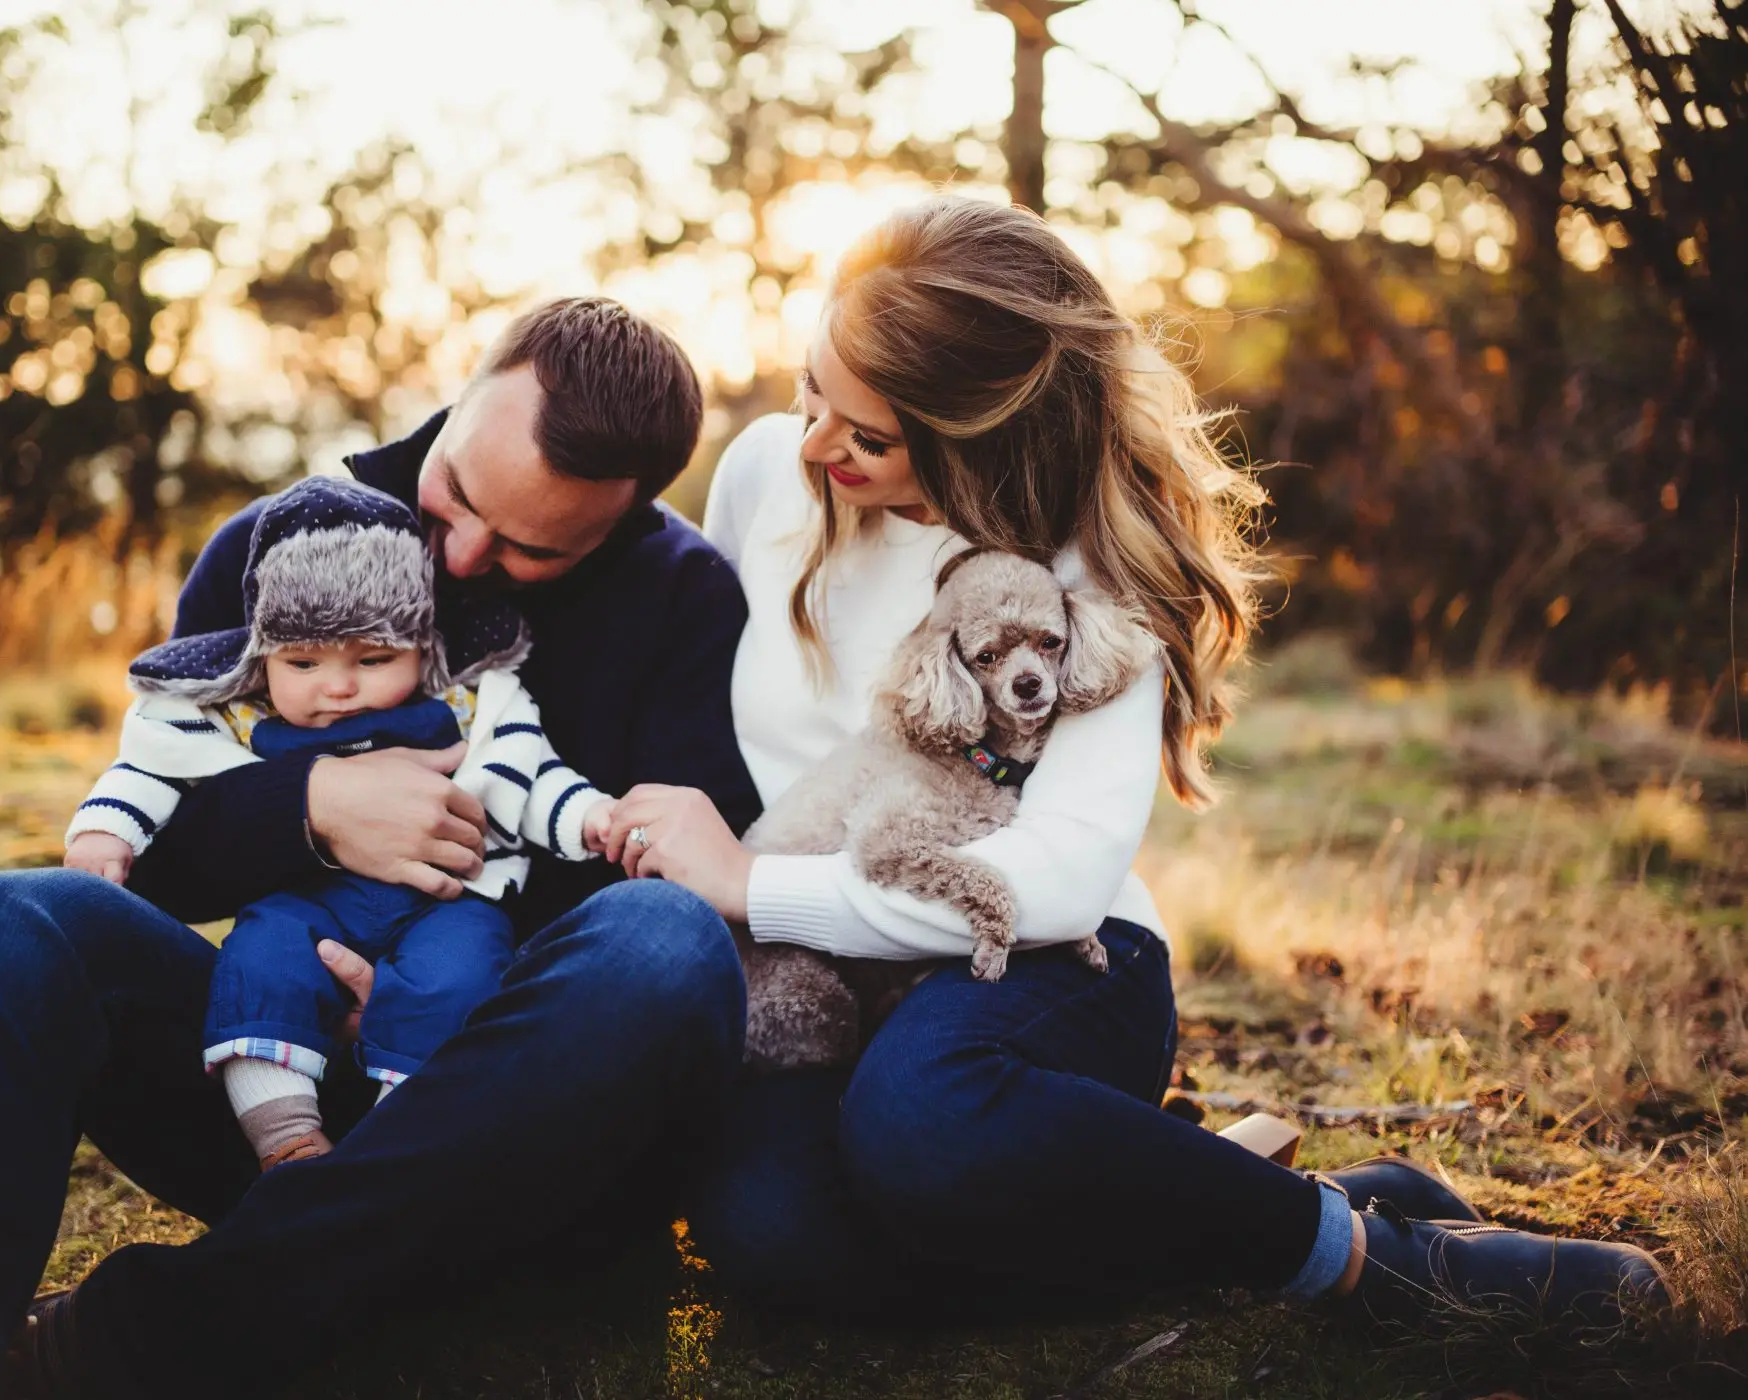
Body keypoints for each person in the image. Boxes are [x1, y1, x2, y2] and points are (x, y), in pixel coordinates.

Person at [603, 197, 1669, 1335]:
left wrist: (754, 887)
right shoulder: (766, 470)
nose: (817, 441)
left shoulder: (1087, 567)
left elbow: (1057, 880)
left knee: (922, 1120)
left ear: (981, 435)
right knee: (777, 1240)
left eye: (867, 435)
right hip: (816, 977)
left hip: (1043, 965)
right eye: (815, 391)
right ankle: (1235, 1189)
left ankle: (1368, 1257)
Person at [0, 297, 762, 1400]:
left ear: (628, 514)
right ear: (466, 391)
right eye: (457, 493)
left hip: (527, 1132)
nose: (461, 552)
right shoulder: (275, 550)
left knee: (663, 941)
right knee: (12, 916)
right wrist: (310, 805)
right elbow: (155, 862)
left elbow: (686, 871)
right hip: (287, 1084)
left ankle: (171, 1330)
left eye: (526, 547)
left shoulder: (688, 602)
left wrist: (456, 993)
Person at [64, 474, 617, 1170]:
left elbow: (533, 777)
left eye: (374, 658)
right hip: (309, 895)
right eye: (303, 661)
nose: (339, 686)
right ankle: (284, 1131)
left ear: (424, 650)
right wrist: (104, 832)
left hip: (451, 899)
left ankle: (399, 1145)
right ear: (263, 659)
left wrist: (594, 818)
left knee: (460, 980)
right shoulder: (239, 716)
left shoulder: (473, 708)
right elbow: (152, 767)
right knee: (263, 958)